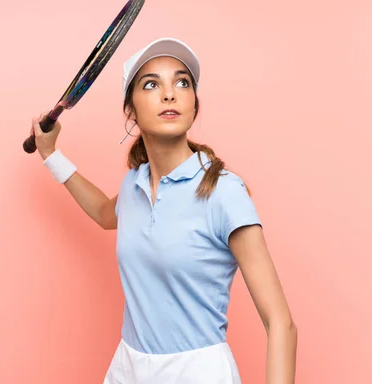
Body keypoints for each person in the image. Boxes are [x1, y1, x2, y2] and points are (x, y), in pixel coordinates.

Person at [30, 38, 297, 384]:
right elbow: (101, 211)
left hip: (197, 372)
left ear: (193, 104)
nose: (169, 94)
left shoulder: (223, 191)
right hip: (129, 367)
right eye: (152, 84)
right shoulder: (134, 185)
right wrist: (52, 155)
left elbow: (281, 324)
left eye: (182, 82)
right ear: (131, 110)